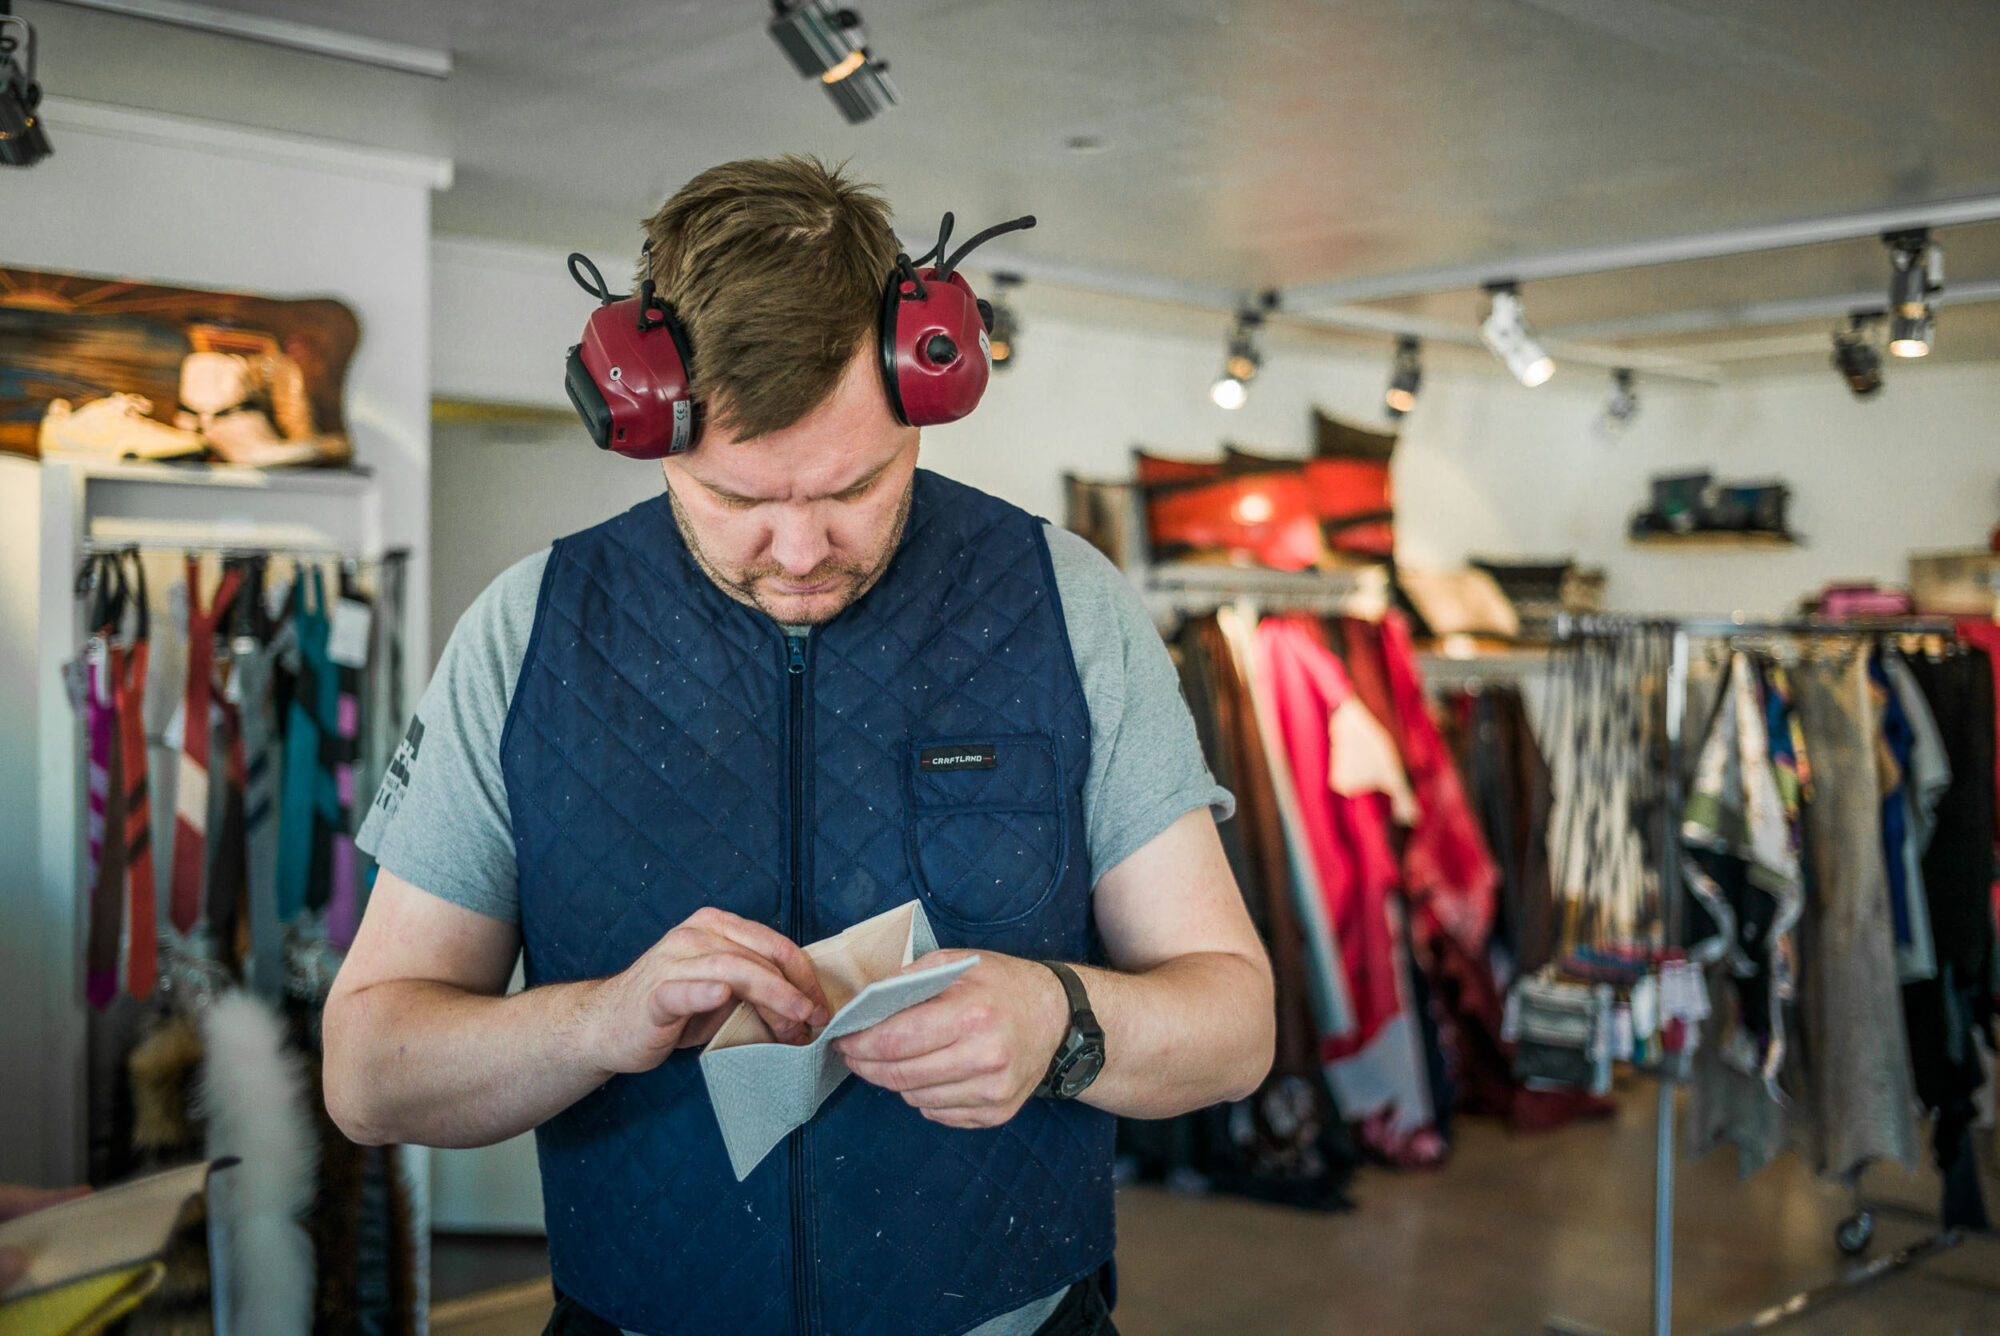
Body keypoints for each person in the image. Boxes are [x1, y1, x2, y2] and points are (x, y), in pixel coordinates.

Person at [323, 155, 1274, 1336]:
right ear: (646, 424)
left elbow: (1234, 1025)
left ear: (922, 396)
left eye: (854, 485)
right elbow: (366, 1071)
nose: (799, 548)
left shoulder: (1064, 602)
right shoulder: (527, 631)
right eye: (737, 498)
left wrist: (1059, 1022)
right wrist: (598, 1022)